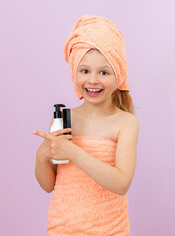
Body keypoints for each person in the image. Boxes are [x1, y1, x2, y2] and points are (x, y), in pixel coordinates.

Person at [32, 15, 139, 235]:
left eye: (104, 72)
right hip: (62, 230)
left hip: (110, 231)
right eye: (85, 71)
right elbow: (48, 185)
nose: (93, 80)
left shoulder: (125, 122)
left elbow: (121, 183)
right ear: (74, 73)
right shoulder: (63, 119)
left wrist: (72, 150)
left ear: (117, 75)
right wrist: (42, 156)